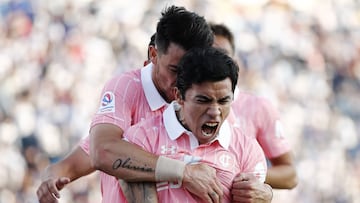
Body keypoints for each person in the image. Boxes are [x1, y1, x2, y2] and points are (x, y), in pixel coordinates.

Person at [36, 6, 273, 203]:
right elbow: (101, 151)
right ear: (153, 54)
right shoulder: (128, 90)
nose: (182, 80)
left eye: (190, 71)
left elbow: (236, 163)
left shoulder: (207, 104)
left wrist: (265, 192)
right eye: (175, 69)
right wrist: (183, 172)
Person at [122, 46, 268, 203]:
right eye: (203, 100)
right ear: (178, 95)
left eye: (223, 101)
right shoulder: (141, 139)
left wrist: (266, 196)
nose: (214, 111)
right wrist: (182, 173)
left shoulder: (247, 149)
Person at [210, 22, 298, 189]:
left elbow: (290, 175)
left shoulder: (258, 107)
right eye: (208, 54)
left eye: (221, 55)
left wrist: (250, 173)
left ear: (235, 64)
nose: (214, 62)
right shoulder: (180, 102)